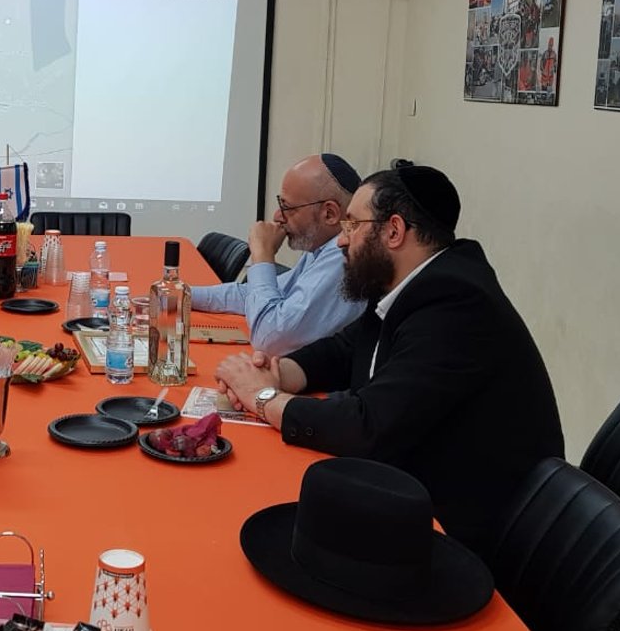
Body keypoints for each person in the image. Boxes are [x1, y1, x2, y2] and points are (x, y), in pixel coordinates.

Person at [214, 165, 563, 562]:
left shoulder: (455, 304)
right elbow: (344, 350)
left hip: (464, 536)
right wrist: (278, 374)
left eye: (352, 226)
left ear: (394, 231)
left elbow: (369, 427)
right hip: (410, 492)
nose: (341, 240)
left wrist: (261, 397)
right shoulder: (411, 285)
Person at [192, 154, 366, 355]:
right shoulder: (320, 248)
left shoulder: (344, 256)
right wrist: (181, 295)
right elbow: (253, 294)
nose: (277, 216)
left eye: (287, 207)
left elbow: (269, 339)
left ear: (329, 214)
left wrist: (262, 256)